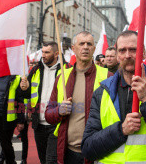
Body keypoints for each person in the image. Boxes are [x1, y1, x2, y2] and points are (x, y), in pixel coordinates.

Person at [81, 30, 146, 164]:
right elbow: (88, 148)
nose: (128, 55)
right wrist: (121, 130)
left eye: (133, 49)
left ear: (144, 53)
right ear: (117, 56)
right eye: (122, 50)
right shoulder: (102, 92)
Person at [45, 31, 109, 164]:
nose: (85, 47)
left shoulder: (108, 76)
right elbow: (48, 115)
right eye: (81, 44)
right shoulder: (62, 77)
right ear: (73, 48)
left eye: (89, 44)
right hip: (68, 152)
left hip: (97, 152)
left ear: (93, 48)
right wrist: (59, 111)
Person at [20, 41, 62, 164]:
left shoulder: (66, 69)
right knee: (43, 159)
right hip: (38, 123)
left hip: (56, 123)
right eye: (42, 52)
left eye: (47, 52)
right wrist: (24, 88)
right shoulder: (35, 70)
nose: (43, 55)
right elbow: (27, 94)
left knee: (51, 160)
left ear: (56, 54)